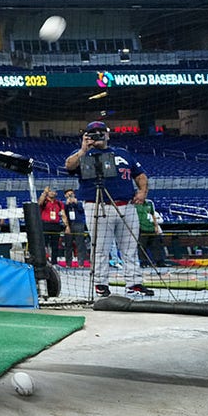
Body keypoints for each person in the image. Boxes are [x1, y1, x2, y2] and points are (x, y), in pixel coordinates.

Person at [65, 120, 154, 298]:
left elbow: (140, 174)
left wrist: (143, 191)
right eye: (93, 132)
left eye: (101, 132)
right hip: (97, 205)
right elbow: (69, 165)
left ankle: (134, 283)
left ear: (108, 134)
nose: (98, 135)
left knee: (129, 247)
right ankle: (100, 283)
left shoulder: (122, 153)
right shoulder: (83, 154)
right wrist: (83, 149)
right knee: (100, 248)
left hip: (127, 205)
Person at [38, 186, 66, 267]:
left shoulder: (59, 203)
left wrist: (66, 225)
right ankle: (44, 261)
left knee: (55, 244)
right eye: (50, 191)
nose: (52, 193)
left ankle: (54, 262)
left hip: (56, 225)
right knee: (44, 244)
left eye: (53, 191)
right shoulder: (45, 201)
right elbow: (39, 202)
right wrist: (44, 192)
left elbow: (63, 214)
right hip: (45, 224)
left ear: (56, 193)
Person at [136, 197, 167, 267]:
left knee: (156, 246)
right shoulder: (135, 205)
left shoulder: (149, 203)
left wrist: (156, 226)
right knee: (141, 246)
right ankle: (143, 262)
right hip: (141, 229)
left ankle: (159, 262)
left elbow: (153, 215)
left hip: (151, 229)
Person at [62, 189, 89, 268]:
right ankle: (68, 264)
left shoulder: (79, 202)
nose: (70, 195)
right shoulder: (64, 203)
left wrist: (75, 202)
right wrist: (67, 204)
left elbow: (82, 210)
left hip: (78, 223)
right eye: (68, 194)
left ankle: (81, 263)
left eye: (71, 194)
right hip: (69, 224)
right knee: (68, 245)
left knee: (80, 244)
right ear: (65, 195)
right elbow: (63, 212)